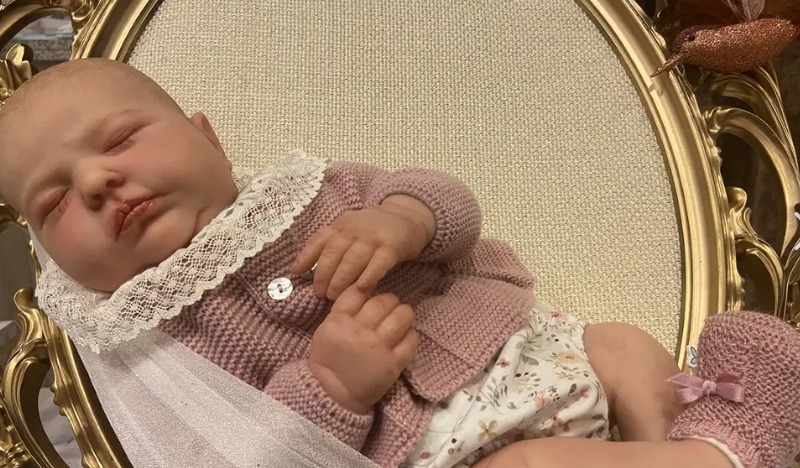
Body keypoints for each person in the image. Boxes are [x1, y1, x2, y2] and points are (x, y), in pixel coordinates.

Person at [0, 58, 798, 468]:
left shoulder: (312, 190)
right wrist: (331, 389)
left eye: (120, 140)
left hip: (528, 361)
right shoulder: (159, 355)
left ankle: (699, 449)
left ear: (205, 136)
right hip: (437, 452)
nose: (97, 183)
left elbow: (446, 200)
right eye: (55, 201)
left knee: (620, 343)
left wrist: (403, 221)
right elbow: (243, 458)